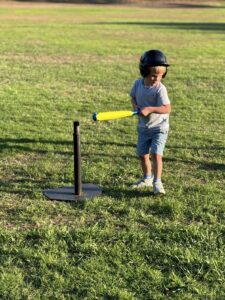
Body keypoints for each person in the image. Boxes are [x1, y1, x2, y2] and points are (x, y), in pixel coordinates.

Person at [130, 49, 171, 194]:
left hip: (159, 127)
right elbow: (133, 97)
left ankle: (157, 182)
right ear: (144, 71)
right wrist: (136, 108)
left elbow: (167, 108)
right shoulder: (137, 84)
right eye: (154, 75)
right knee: (142, 154)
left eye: (161, 75)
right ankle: (147, 178)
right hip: (143, 127)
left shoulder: (160, 89)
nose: (157, 78)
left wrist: (149, 109)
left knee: (156, 154)